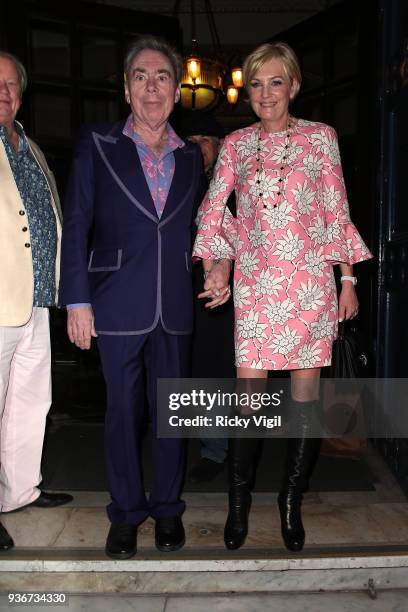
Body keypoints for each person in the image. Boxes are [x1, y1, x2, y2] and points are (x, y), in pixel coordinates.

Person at [192, 42, 372, 552]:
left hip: (310, 285)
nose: (265, 93)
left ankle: (290, 502)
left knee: (303, 403)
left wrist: (348, 280)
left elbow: (335, 209)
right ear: (247, 90)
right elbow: (212, 210)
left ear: (293, 86)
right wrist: (216, 265)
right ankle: (238, 505)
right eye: (256, 83)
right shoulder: (235, 144)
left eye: (276, 82)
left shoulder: (321, 139)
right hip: (256, 287)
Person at [59, 36, 204, 560]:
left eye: (162, 76)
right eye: (141, 76)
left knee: (174, 413)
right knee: (122, 413)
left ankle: (167, 509)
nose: (152, 87)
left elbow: (200, 227)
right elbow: (75, 223)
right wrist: (77, 299)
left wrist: (216, 261)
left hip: (175, 305)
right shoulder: (98, 143)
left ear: (176, 90)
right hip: (115, 301)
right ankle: (125, 513)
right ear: (126, 88)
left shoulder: (191, 157)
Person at [0, 51, 72, 550]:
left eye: (9, 85)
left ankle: (19, 491)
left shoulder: (28, 146)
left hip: (37, 300)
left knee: (30, 402)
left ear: (20, 95)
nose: (2, 93)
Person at [181, 112, 235, 483]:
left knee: (218, 367)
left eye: (206, 139)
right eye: (192, 138)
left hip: (228, 289)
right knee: (199, 368)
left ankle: (217, 451)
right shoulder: (179, 180)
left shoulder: (233, 182)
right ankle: (212, 445)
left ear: (219, 146)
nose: (198, 145)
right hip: (183, 288)